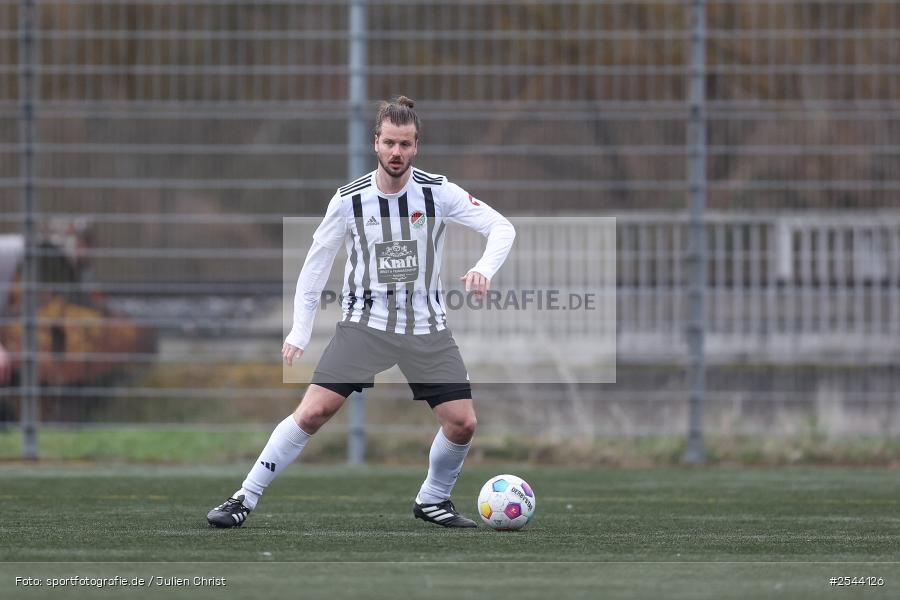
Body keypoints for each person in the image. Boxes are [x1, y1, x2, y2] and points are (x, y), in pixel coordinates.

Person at [207, 97, 515, 529]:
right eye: (389, 143)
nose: (396, 152)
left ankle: (432, 500)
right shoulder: (349, 200)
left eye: (405, 144)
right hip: (365, 326)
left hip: (426, 327)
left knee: (462, 423)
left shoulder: (437, 192)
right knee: (312, 412)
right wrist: (300, 330)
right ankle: (244, 496)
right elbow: (315, 266)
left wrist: (484, 268)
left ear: (416, 146)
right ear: (375, 143)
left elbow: (501, 227)